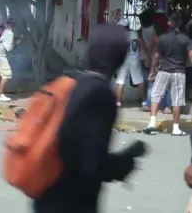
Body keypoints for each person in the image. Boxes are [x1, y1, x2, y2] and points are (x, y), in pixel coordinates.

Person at [33, 24, 146, 213]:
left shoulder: (71, 82)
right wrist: (126, 160)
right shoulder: (100, 95)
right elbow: (91, 164)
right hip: (73, 202)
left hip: (46, 193)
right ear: (118, 58)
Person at [144, 12, 192, 136]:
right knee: (177, 100)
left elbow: (156, 56)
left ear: (169, 23)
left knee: (155, 96)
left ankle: (151, 123)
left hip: (163, 71)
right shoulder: (185, 39)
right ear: (180, 23)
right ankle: (176, 129)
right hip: (179, 72)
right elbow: (191, 56)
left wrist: (152, 71)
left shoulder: (163, 38)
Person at [115, 18, 148, 108]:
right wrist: (146, 55)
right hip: (134, 60)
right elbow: (142, 43)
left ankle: (118, 102)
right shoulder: (134, 33)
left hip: (123, 60)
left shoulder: (119, 35)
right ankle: (144, 101)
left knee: (120, 82)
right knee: (139, 81)